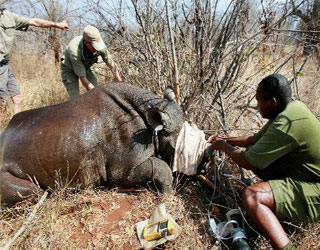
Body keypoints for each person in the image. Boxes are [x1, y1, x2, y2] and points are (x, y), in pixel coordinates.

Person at [208, 74, 320, 250]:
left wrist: (223, 147)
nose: (257, 106)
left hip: (317, 190)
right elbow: (253, 140)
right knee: (263, 160)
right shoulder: (292, 108)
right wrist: (226, 140)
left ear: (273, 102)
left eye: (260, 101)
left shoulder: (286, 124)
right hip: (309, 176)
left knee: (253, 197)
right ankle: (280, 212)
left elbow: (249, 161)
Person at [0, 8, 69, 114]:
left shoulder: (8, 16)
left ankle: (16, 128)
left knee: (17, 98)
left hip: (4, 63)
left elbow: (34, 21)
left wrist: (56, 24)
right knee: (2, 102)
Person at [61, 25, 123, 99]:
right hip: (69, 68)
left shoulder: (101, 46)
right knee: (75, 98)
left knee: (95, 90)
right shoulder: (75, 51)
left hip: (86, 66)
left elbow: (111, 65)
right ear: (87, 43)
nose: (97, 49)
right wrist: (99, 95)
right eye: (94, 46)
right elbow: (83, 78)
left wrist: (119, 81)